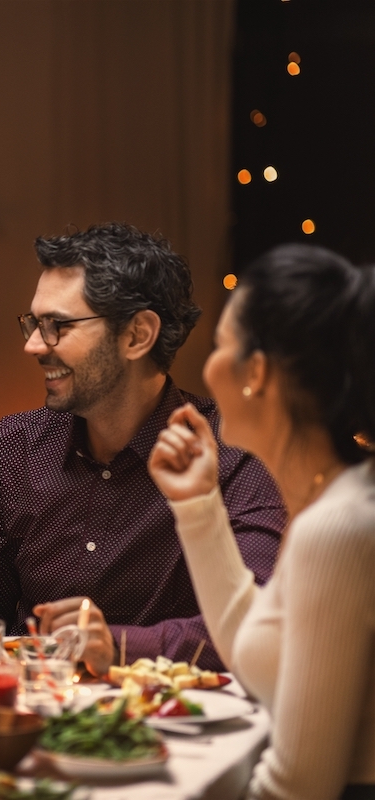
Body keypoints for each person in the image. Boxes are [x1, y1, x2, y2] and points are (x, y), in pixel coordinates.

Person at [0, 223, 285, 675]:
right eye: (33, 323)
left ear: (137, 336)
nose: (31, 345)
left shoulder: (235, 451)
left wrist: (118, 646)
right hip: (40, 723)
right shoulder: (14, 448)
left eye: (57, 326)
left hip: (186, 732)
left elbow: (260, 629)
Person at [149, 245, 375, 800]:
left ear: (255, 371)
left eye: (221, 345)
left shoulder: (339, 528)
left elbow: (299, 787)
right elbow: (261, 655)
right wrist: (198, 504)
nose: (207, 366)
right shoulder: (332, 505)